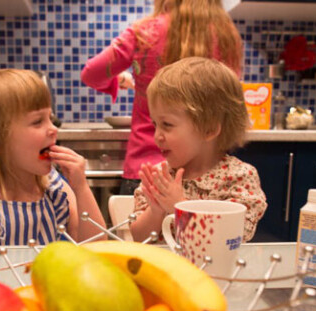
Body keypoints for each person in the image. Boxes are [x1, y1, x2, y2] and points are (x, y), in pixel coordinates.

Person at [81, 0, 243, 195]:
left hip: (146, 168)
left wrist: (118, 80)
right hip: (208, 174)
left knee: (137, 225)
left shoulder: (145, 33)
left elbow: (91, 73)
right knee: (202, 226)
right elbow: (230, 98)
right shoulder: (226, 35)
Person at [0, 69, 105, 246]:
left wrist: (81, 187)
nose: (53, 129)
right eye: (37, 122)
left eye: (50, 118)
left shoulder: (56, 190)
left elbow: (96, 248)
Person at [130, 57, 267, 242]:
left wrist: (179, 206)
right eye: (155, 124)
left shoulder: (239, 178)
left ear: (209, 130)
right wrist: (155, 210)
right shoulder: (162, 177)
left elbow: (232, 238)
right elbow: (139, 238)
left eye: (167, 125)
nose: (157, 136)